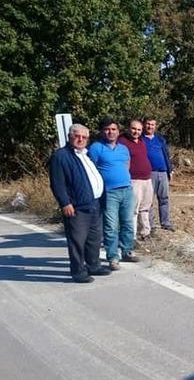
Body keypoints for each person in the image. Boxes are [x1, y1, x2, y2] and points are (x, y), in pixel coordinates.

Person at [48, 124, 111, 283]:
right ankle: (78, 272)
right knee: (77, 241)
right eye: (77, 136)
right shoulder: (61, 156)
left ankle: (93, 266)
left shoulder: (86, 154)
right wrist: (65, 203)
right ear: (70, 137)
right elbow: (57, 183)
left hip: (95, 204)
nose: (80, 139)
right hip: (77, 207)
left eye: (84, 137)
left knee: (94, 239)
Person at [88, 118, 138, 270]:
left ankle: (127, 251)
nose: (111, 132)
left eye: (114, 129)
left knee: (128, 223)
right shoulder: (96, 148)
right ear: (102, 131)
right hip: (109, 193)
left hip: (127, 190)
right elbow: (91, 170)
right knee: (111, 226)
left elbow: (127, 165)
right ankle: (113, 257)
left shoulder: (123, 148)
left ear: (118, 131)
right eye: (107, 129)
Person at [119, 118, 154, 240]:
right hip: (134, 180)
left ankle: (145, 232)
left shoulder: (141, 141)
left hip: (147, 179)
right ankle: (131, 236)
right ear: (128, 128)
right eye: (133, 129)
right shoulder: (122, 142)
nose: (136, 132)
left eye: (139, 130)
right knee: (133, 209)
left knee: (145, 208)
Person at [143, 117, 175, 232]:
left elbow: (166, 154)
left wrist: (170, 169)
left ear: (155, 126)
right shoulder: (140, 139)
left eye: (152, 124)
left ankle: (165, 222)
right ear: (144, 125)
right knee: (149, 200)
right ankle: (151, 225)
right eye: (148, 124)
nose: (150, 126)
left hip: (163, 172)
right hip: (149, 173)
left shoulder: (160, 139)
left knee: (164, 198)